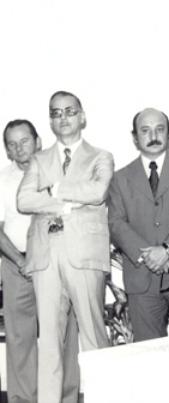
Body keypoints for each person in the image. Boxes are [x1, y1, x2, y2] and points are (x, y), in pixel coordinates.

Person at [17, 91, 113, 403]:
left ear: (82, 116)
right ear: (50, 120)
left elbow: (98, 191)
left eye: (69, 111)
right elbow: (23, 200)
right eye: (56, 113)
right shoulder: (38, 159)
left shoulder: (101, 156)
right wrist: (70, 203)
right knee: (49, 346)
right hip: (46, 257)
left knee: (94, 338)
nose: (63, 117)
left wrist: (55, 189)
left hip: (84, 255)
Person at [108, 108, 169, 341]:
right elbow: (115, 222)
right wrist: (148, 256)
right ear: (135, 137)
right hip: (141, 280)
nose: (153, 135)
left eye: (159, 129)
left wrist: (166, 249)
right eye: (145, 130)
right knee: (148, 354)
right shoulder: (120, 178)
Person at [0, 119, 80, 403]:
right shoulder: (2, 179)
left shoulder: (61, 173)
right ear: (7, 150)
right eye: (12, 143)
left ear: (38, 141)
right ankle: (23, 399)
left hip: (55, 263)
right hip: (16, 263)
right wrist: (20, 260)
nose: (19, 148)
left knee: (64, 336)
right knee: (20, 337)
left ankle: (67, 397)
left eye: (24, 141)